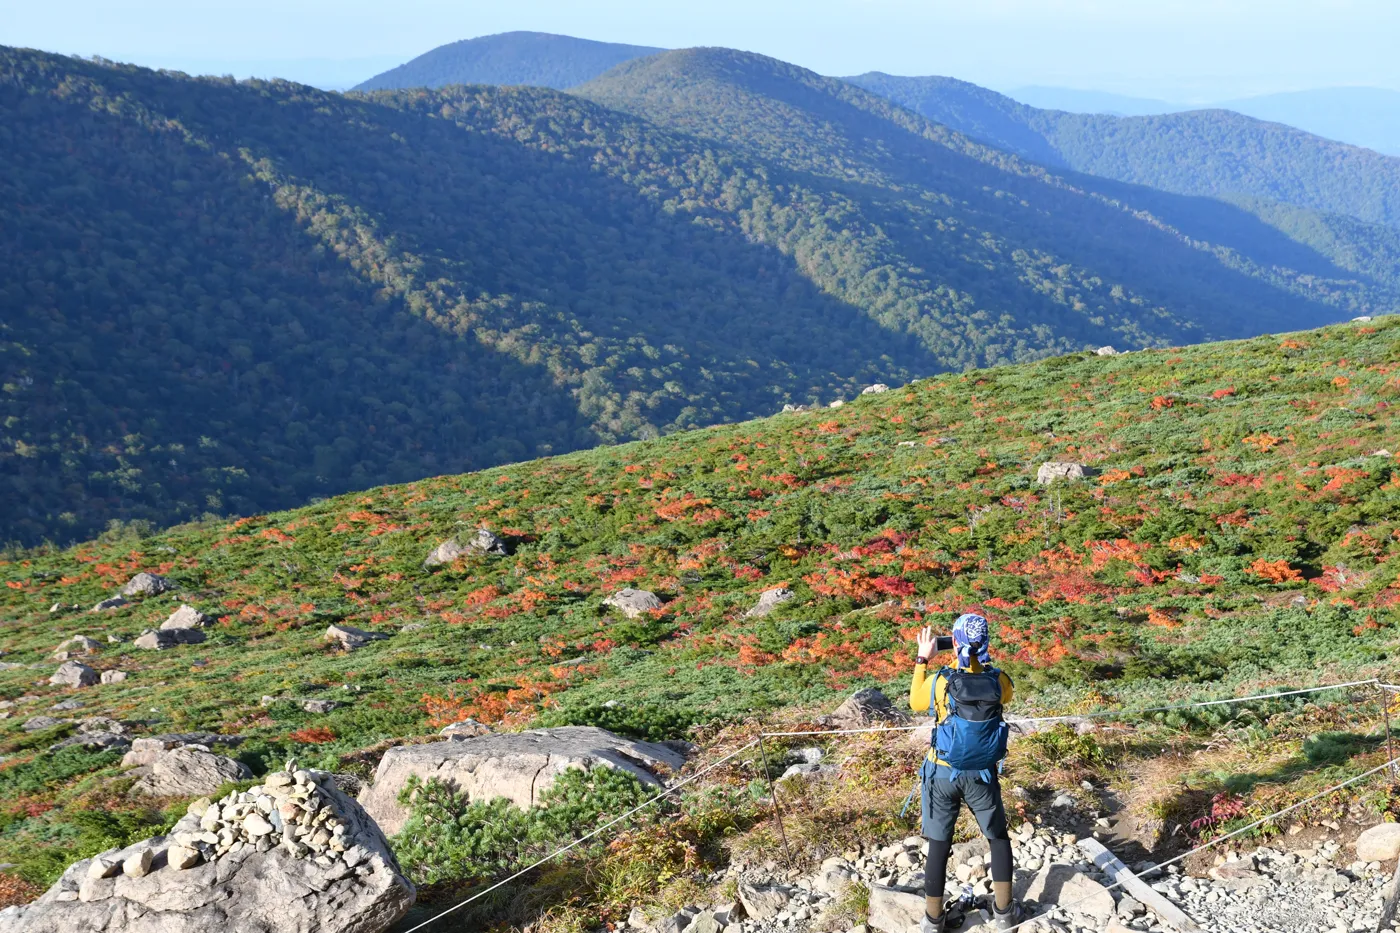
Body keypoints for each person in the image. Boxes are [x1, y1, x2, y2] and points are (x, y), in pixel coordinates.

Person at [910, 613, 1024, 932]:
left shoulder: (942, 682)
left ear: (955, 641)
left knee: (939, 845)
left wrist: (923, 658)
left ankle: (934, 920)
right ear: (985, 641)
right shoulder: (999, 681)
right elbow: (1004, 695)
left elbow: (916, 702)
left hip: (942, 772)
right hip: (982, 775)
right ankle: (1004, 914)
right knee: (998, 838)